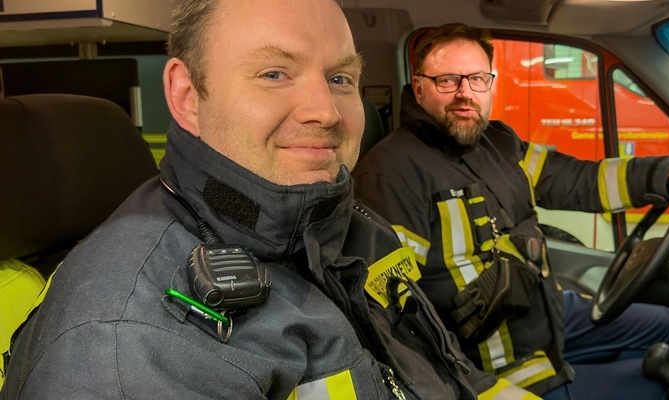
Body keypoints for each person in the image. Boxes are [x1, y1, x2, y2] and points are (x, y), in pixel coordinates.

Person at [0, 5, 539, 400]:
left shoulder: (351, 229)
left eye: (340, 78)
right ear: (187, 96)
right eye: (274, 73)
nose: (326, 110)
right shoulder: (128, 343)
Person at [352, 23, 669, 400]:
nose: (464, 93)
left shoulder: (496, 145)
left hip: (548, 316)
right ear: (418, 87)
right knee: (658, 387)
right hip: (494, 366)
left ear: (489, 85)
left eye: (476, 79)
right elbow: (392, 318)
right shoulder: (390, 173)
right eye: (447, 80)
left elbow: (580, 180)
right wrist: (478, 388)